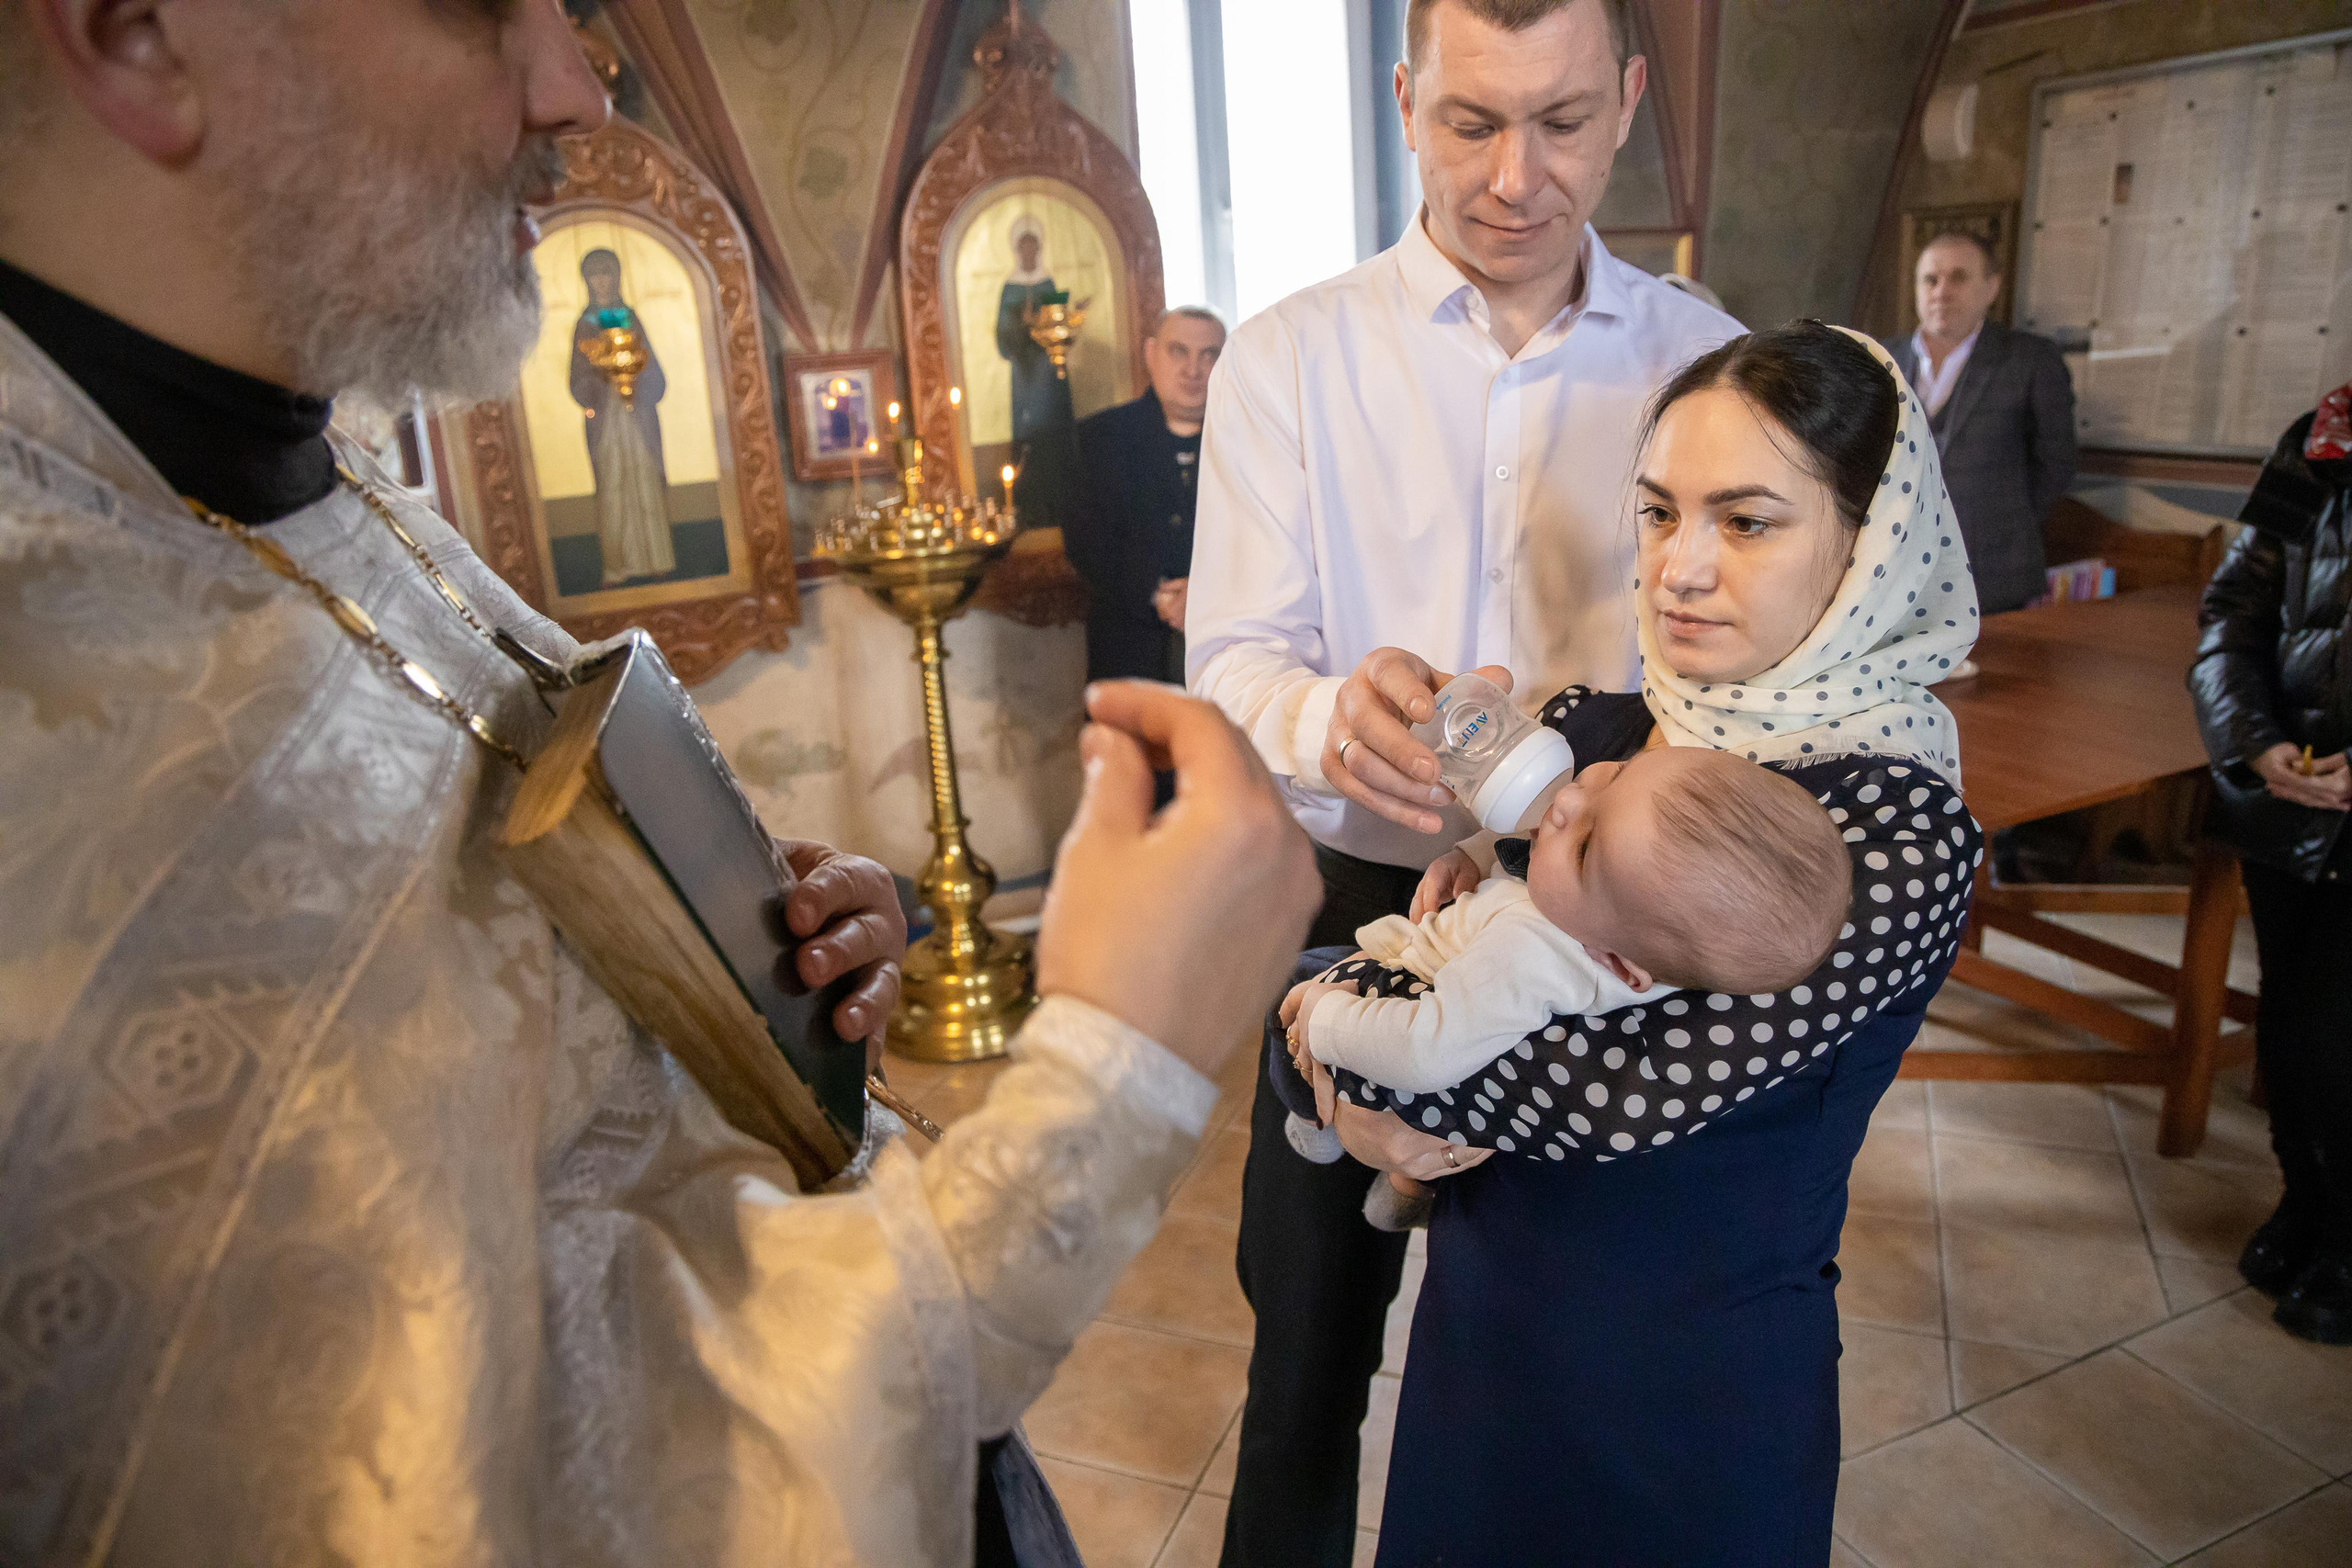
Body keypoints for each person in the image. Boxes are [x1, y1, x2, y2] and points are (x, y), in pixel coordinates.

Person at [0, 6, 1324, 1567]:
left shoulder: (308, 475)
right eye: (491, 7)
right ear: (140, 33)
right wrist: (1120, 1066)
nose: (574, 85)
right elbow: (567, 1495)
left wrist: (742, 964)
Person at [1184, 0, 1738, 1557]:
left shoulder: (1705, 356)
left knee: (1575, 1358)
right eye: (1470, 121)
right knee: (1305, 1357)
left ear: (1628, 100)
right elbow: (1231, 652)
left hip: (1609, 909)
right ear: (1406, 96)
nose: (1512, 176)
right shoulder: (1292, 355)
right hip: (1360, 895)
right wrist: (1323, 718)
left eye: (1560, 123)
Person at [1306, 322, 1981, 1565]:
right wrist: (1358, 1051)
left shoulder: (1887, 820)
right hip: (1482, 1331)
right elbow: (1431, 948)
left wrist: (1354, 1030)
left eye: (1748, 520)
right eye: (1662, 513)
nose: (1680, 566)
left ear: (1867, 540)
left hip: (1683, 1385)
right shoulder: (1593, 725)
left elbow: (1614, 1094)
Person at [1272, 745, 1849, 1166]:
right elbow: (1532, 866)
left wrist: (1328, 1019)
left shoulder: (1529, 951)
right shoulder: (1633, 921)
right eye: (1620, 773)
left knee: (1299, 979)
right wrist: (1478, 853)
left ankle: (1310, 1120)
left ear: (1619, 964)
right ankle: (1401, 1191)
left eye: (1586, 845)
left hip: (1400, 998)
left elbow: (1424, 1050)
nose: (1572, 797)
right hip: (1433, 993)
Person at [2188, 386, 2352, 1345]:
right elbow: (2232, 609)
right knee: (2287, 1022)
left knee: (2336, 1036)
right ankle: (2305, 1201)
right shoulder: (2315, 440)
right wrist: (2253, 746)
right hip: (2288, 798)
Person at [1880, 231, 2077, 614]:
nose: (1941, 291)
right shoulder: (1881, 358)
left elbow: (2056, 464)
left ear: (1992, 287)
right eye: (1930, 280)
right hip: (1892, 575)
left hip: (1994, 575)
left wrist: (2003, 521)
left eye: (1959, 277)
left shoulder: (2031, 360)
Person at [1031, 305, 1226, 686]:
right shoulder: (1100, 440)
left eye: (1209, 355)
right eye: (1178, 351)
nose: (1193, 369)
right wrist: (1158, 595)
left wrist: (1206, 597)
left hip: (1227, 653)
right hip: (1128, 650)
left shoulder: (1251, 441)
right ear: (1151, 354)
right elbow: (1086, 542)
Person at [569, 246, 675, 585]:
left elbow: (653, 368)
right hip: (606, 420)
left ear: (617, 276)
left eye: (607, 273)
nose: (602, 281)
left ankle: (657, 558)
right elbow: (577, 377)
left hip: (637, 416)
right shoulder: (585, 325)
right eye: (595, 274)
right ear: (587, 280)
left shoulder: (631, 317)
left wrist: (635, 377)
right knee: (613, 484)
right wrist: (601, 378)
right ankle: (618, 565)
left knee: (646, 478)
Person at [996, 215, 1075, 453]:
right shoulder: (1010, 287)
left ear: (1039, 248)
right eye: (1023, 246)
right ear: (1016, 249)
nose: (1028, 251)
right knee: (1027, 420)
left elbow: (1057, 317)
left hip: (1046, 361)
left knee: (1052, 415)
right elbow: (1002, 329)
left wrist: (1048, 319)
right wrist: (1021, 324)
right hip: (1023, 365)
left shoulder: (1047, 283)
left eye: (1033, 246)